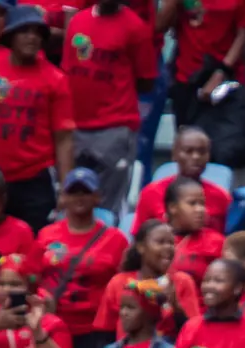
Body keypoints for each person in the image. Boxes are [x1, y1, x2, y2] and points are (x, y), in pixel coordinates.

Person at [0, 6, 74, 232]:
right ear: (10, 36)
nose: (32, 37)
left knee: (31, 250)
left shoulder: (56, 79)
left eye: (37, 32)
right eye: (24, 31)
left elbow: (64, 138)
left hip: (35, 180)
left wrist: (66, 187)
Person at [30, 167, 130, 348]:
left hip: (95, 332)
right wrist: (41, 301)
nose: (79, 197)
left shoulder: (116, 239)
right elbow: (31, 277)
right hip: (54, 326)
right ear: (63, 197)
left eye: (85, 191)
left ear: (97, 197)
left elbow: (123, 286)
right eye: (73, 191)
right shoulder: (46, 235)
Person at [61, 0, 155, 214]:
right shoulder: (77, 21)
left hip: (114, 127)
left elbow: (146, 80)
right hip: (76, 126)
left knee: (107, 207)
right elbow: (67, 70)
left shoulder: (135, 27)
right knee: (72, 204)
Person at [96, 221, 202, 345]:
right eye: (160, 242)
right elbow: (105, 333)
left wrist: (175, 307)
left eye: (171, 243)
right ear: (141, 247)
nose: (168, 247)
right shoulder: (119, 282)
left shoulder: (182, 282)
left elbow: (193, 334)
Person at [132, 128, 232, 232]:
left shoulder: (221, 197)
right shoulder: (151, 193)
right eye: (188, 151)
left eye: (202, 152)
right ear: (174, 154)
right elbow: (140, 240)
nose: (196, 156)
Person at [165, 177, 226, 287]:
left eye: (202, 203)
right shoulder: (155, 238)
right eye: (192, 203)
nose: (200, 209)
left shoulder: (216, 242)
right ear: (172, 207)